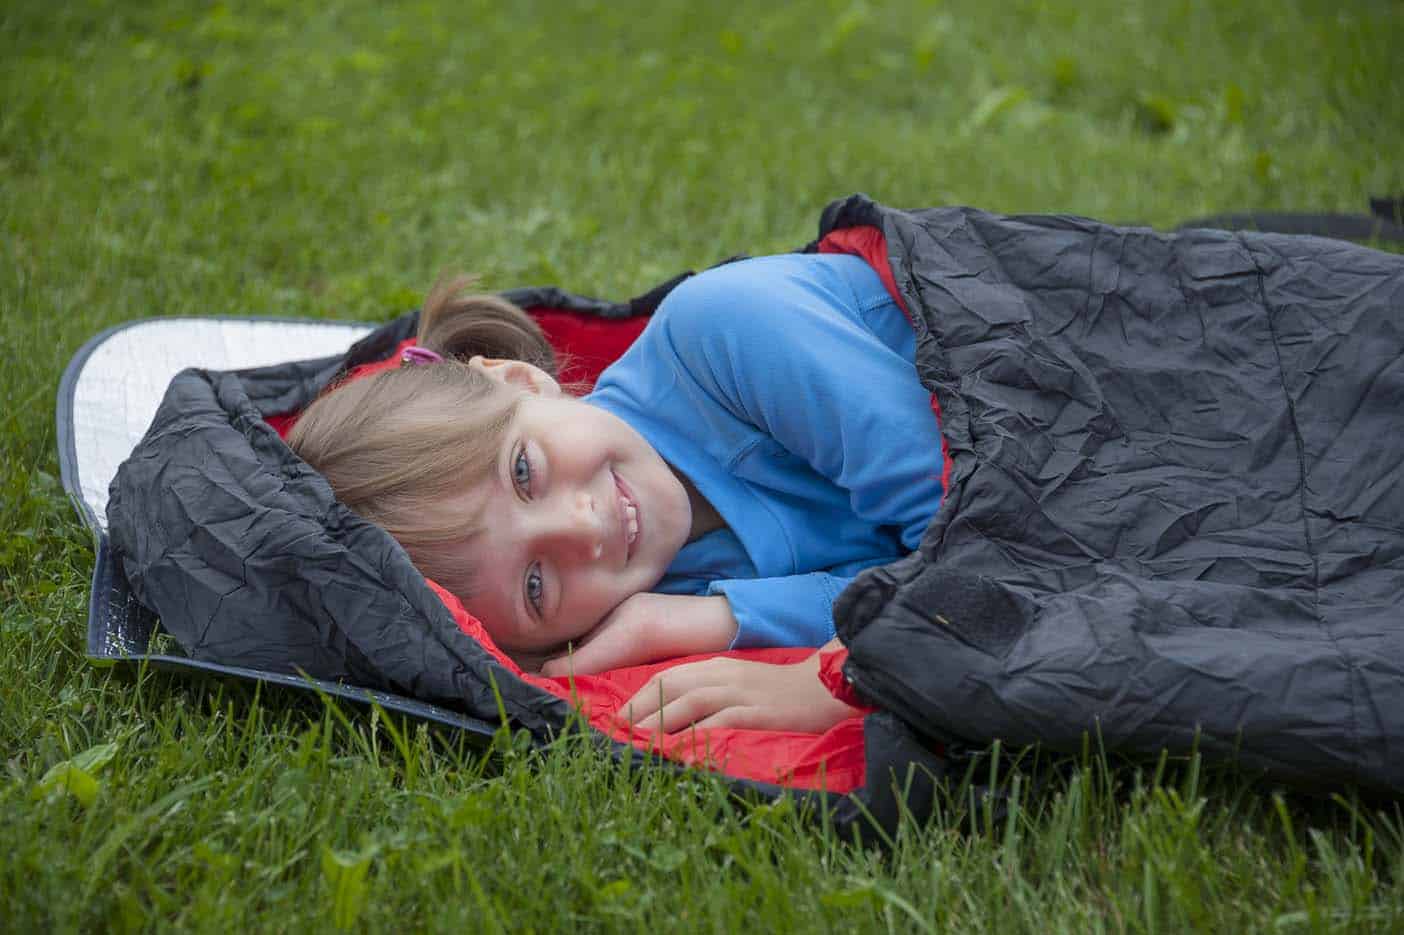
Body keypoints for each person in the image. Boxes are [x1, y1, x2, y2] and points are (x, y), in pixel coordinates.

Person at [288, 252, 946, 735]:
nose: (583, 529)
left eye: (525, 472)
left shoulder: (726, 333)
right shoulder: (657, 589)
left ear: (520, 379)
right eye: (537, 585)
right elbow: (886, 576)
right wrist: (699, 619)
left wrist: (831, 681)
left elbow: (981, 531)